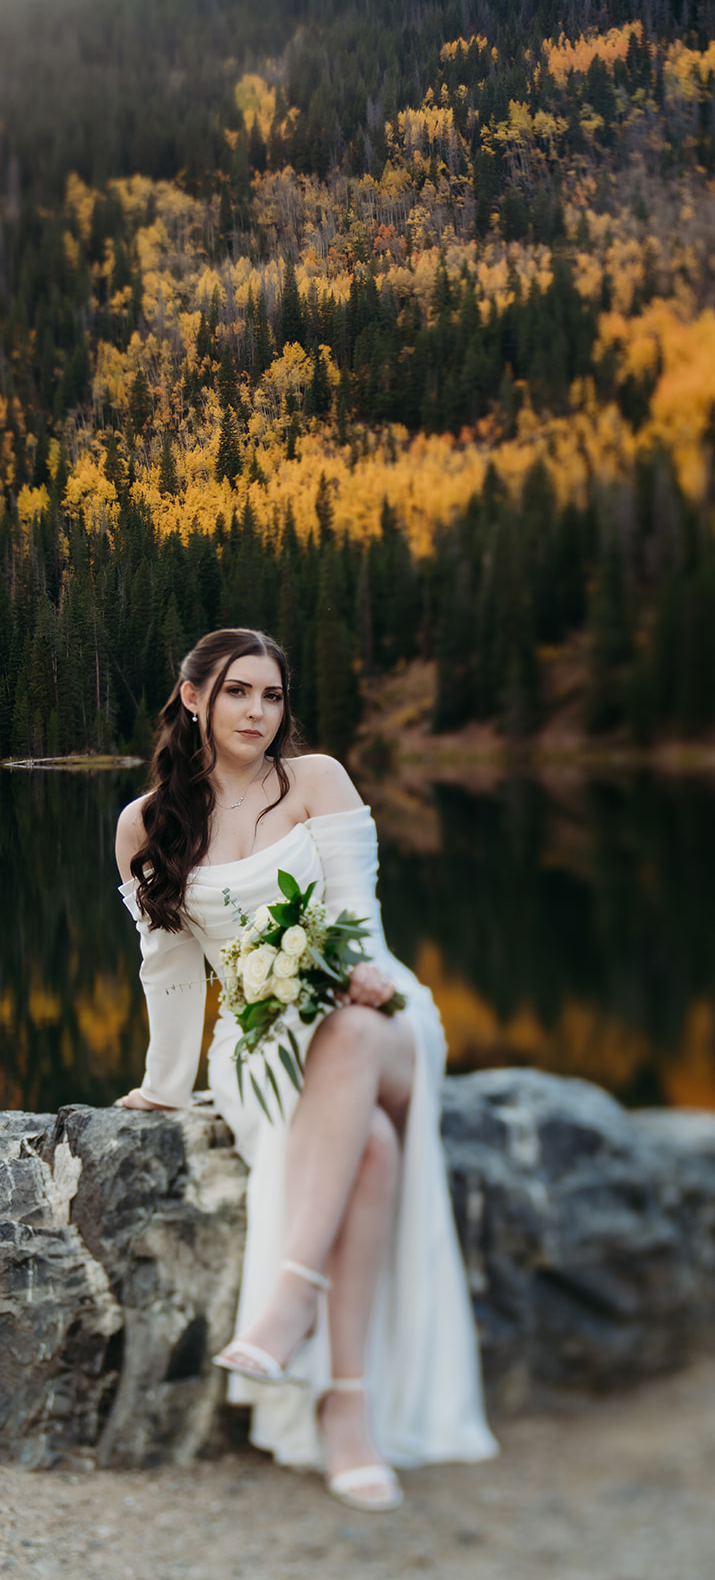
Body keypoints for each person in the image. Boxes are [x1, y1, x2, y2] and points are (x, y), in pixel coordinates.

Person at [115, 628, 496, 1511]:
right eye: (239, 692)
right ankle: (346, 1407)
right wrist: (167, 1084)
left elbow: (358, 922)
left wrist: (355, 975)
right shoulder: (147, 823)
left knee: (357, 1035)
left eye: (273, 696)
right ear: (190, 695)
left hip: (370, 1007)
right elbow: (168, 970)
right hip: (256, 1046)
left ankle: (288, 1301)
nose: (257, 712)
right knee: (365, 1146)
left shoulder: (316, 780)